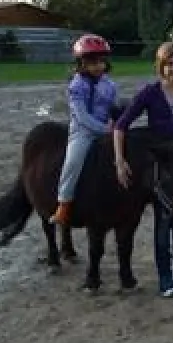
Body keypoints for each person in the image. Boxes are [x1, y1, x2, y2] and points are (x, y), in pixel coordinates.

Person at [114, 42, 173, 298]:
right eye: (170, 64)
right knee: (164, 223)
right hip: (161, 169)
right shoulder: (150, 93)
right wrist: (120, 161)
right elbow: (121, 126)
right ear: (161, 66)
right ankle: (166, 278)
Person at [50, 34, 118, 229]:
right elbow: (82, 116)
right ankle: (64, 203)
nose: (98, 66)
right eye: (92, 62)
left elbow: (112, 107)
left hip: (107, 128)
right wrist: (104, 129)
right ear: (81, 63)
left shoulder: (110, 84)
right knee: (73, 162)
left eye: (101, 61)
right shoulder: (77, 86)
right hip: (83, 131)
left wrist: (116, 121)